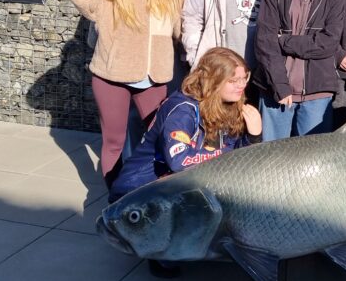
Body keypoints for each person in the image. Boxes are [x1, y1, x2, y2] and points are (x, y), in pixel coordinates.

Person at [65, 0, 186, 188]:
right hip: (112, 75)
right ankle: (116, 196)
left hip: (154, 76)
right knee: (114, 141)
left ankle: (155, 191)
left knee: (161, 136)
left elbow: (178, 23)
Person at [108, 47, 263, 201]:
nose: (241, 85)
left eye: (244, 77)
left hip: (175, 187)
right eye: (233, 80)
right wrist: (225, 154)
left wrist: (253, 137)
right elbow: (179, 162)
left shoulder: (227, 104)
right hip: (138, 194)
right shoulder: (182, 111)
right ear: (213, 81)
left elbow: (234, 152)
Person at [253, 0, 344, 140]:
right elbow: (265, 41)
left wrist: (284, 41)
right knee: (273, 157)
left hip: (317, 90)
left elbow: (328, 43)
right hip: (276, 87)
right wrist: (280, 85)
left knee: (311, 159)